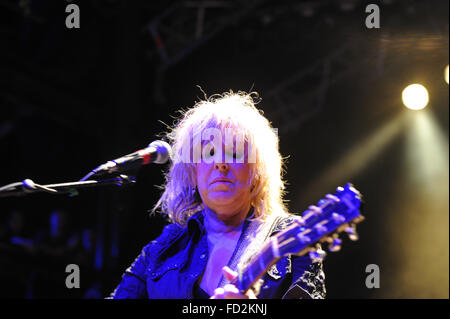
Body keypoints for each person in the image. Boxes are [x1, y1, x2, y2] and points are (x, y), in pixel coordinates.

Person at [108, 91, 325, 299]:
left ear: (257, 171)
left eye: (235, 153)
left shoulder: (292, 236)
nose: (220, 163)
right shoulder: (163, 249)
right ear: (192, 172)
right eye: (209, 152)